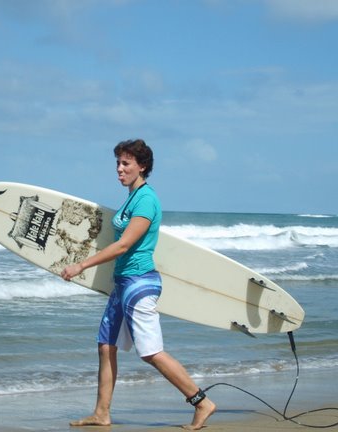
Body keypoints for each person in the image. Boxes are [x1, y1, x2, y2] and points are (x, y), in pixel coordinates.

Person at [60, 139, 216, 430]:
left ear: (142, 166)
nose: (119, 169)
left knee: (151, 352)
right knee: (106, 346)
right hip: (122, 284)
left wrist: (81, 265)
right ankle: (102, 413)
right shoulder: (132, 197)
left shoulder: (146, 200)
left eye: (125, 163)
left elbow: (125, 245)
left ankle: (201, 401)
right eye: (118, 163)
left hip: (139, 285)